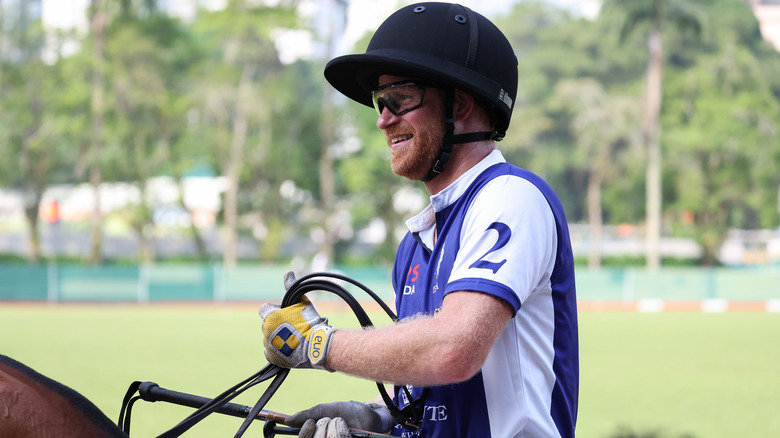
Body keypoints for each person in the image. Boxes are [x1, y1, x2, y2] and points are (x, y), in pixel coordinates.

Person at [258, 3, 579, 437]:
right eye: (380, 102)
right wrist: (377, 416)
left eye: (400, 99)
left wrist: (320, 343)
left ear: (460, 104)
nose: (382, 119)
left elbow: (453, 349)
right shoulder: (416, 241)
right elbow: (426, 395)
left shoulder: (510, 197)